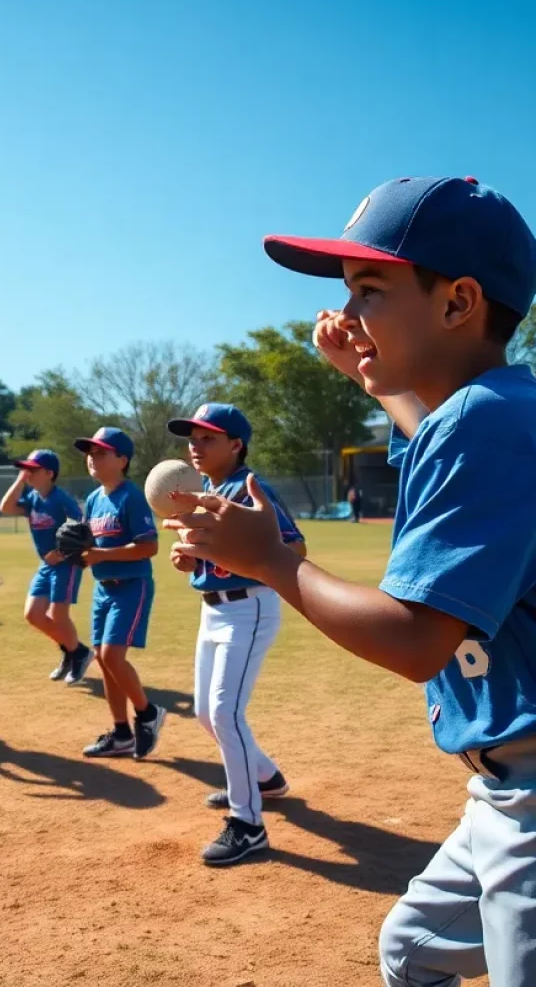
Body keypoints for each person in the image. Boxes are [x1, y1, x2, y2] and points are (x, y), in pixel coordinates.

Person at [168, 176, 536, 985]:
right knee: (411, 950)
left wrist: (273, 559)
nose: (349, 312)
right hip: (505, 790)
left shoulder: (485, 417)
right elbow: (432, 423)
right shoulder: (493, 406)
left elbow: (415, 641)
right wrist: (369, 376)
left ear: (457, 302)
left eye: (370, 288)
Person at [164, 404, 307, 865]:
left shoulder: (248, 488)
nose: (195, 446)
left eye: (208, 437)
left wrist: (246, 552)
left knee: (226, 714)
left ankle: (248, 824)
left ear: (236, 444)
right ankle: (266, 778)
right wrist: (191, 558)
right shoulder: (208, 490)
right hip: (213, 610)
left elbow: (295, 545)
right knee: (207, 714)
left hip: (249, 607)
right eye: (193, 438)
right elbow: (214, 555)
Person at [73, 426, 166, 760]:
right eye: (90, 453)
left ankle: (147, 713)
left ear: (122, 459)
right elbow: (91, 546)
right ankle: (122, 733)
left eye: (101, 452)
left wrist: (102, 555)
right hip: (102, 587)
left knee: (112, 655)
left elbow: (149, 546)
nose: (92, 458)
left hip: (131, 585)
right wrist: (80, 554)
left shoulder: (131, 496)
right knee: (102, 658)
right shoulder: (95, 499)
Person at [0, 449, 93, 684]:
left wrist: (62, 552)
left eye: (33, 469)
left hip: (66, 564)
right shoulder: (32, 498)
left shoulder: (61, 499)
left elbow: (83, 529)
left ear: (49, 473)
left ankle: (75, 655)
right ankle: (76, 651)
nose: (27, 473)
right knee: (33, 614)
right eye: (25, 469)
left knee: (57, 615)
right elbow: (6, 507)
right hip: (46, 565)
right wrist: (20, 480)